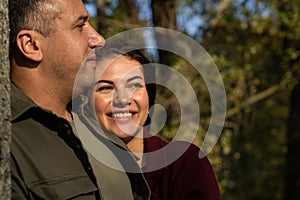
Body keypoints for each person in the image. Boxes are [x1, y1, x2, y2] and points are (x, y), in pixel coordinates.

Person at [9, 0, 150, 199]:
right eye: (80, 26)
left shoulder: (95, 123)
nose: (99, 39)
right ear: (31, 45)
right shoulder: (10, 140)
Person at [89, 43, 222, 200]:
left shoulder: (185, 163)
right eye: (106, 88)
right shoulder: (75, 166)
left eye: (134, 85)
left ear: (148, 96)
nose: (122, 99)